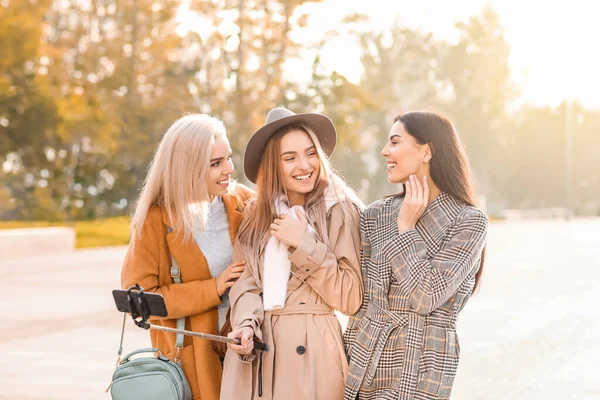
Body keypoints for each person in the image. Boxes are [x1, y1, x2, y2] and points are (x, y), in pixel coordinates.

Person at [220, 107, 364, 400]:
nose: (304, 165)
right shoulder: (255, 215)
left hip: (313, 357)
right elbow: (245, 283)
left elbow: (350, 297)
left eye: (311, 153)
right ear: (273, 165)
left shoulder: (339, 209)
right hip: (257, 355)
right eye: (290, 158)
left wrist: (304, 246)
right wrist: (245, 326)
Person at [344, 111, 489, 400]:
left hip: (424, 363)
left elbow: (426, 296)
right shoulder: (375, 213)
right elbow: (364, 299)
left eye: (395, 142)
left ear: (427, 150)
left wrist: (407, 227)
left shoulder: (469, 221)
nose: (386, 151)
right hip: (363, 355)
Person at [121, 114, 255, 400]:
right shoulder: (154, 220)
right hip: (192, 370)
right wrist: (214, 288)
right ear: (188, 168)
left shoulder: (244, 202)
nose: (229, 169)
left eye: (228, 158)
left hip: (248, 358)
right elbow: (139, 300)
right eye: (215, 163)